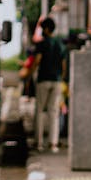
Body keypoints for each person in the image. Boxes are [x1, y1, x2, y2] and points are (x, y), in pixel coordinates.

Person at [30, 16, 67, 152]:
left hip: (43, 80)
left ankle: (38, 142)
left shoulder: (42, 44)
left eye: (41, 29)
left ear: (46, 29)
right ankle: (53, 143)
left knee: (39, 111)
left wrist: (29, 75)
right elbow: (64, 66)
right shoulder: (60, 44)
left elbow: (37, 61)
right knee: (54, 112)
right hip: (57, 81)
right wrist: (60, 79)